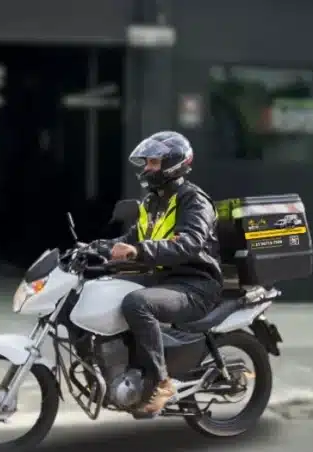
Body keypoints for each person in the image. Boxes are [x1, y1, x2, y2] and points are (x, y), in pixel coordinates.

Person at [92, 131, 224, 415]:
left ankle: (160, 382)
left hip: (195, 285)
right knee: (102, 287)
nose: (147, 169)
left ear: (173, 164)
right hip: (164, 278)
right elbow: (131, 239)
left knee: (137, 303)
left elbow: (188, 243)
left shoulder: (194, 201)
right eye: (147, 163)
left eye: (153, 163)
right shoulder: (152, 202)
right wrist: (94, 248)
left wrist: (137, 252)